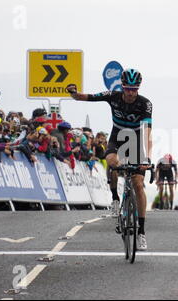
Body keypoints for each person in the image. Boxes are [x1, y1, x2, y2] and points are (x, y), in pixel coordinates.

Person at [66, 68, 153, 251]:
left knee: (138, 183)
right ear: (122, 87)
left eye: (134, 89)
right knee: (113, 162)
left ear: (138, 88)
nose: (130, 93)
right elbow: (86, 97)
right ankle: (115, 198)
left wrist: (147, 158)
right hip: (117, 137)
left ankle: (142, 232)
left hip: (136, 141)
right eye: (127, 89)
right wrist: (73, 93)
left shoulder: (145, 104)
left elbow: (146, 132)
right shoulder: (112, 96)